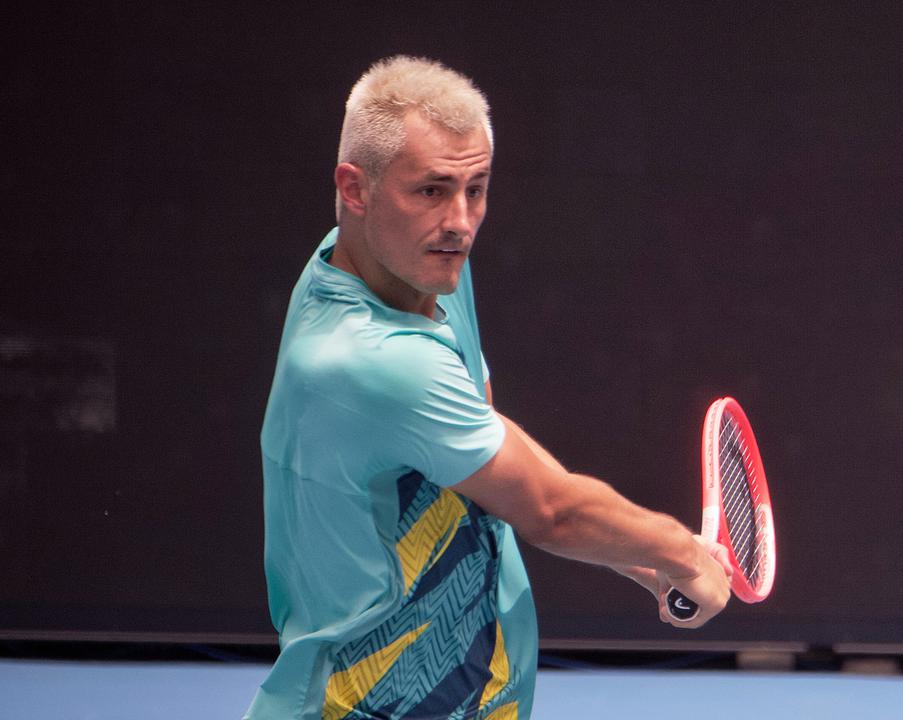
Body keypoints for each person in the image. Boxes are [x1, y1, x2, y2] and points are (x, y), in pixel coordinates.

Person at [244, 55, 732, 720]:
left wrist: (640, 560)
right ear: (355, 189)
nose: (461, 222)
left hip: (472, 692)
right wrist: (680, 551)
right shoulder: (369, 358)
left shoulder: (419, 268)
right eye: (431, 190)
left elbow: (490, 443)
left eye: (475, 189)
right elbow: (550, 510)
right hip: (368, 705)